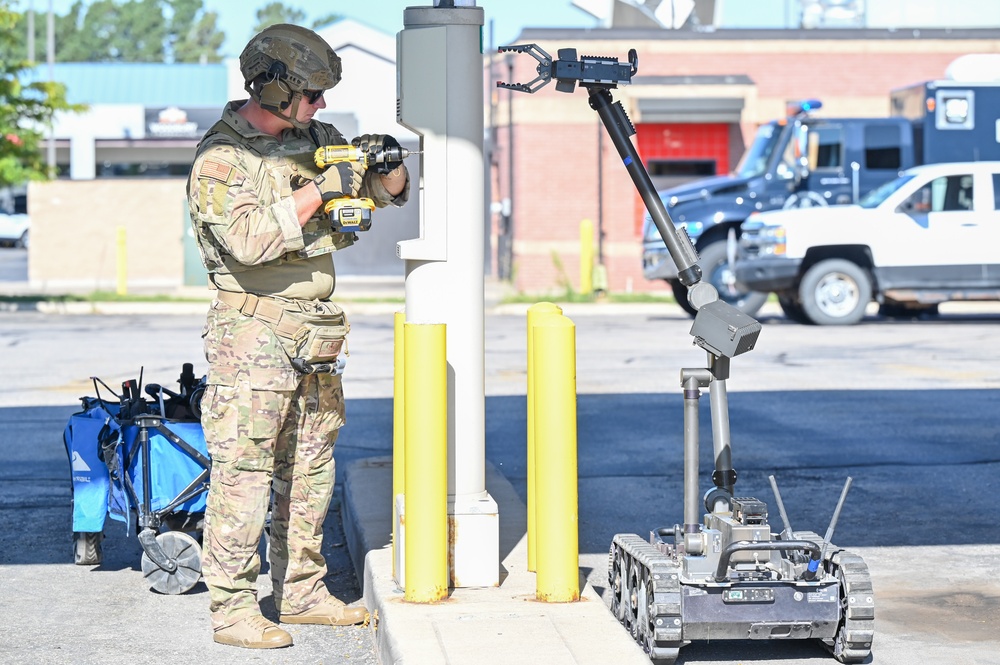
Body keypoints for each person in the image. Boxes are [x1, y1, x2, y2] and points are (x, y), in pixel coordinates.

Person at [186, 23, 409, 649]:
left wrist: (384, 167)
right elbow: (251, 242)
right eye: (311, 95)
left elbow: (380, 195)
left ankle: (301, 590)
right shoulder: (222, 158)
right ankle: (232, 607)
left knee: (309, 466)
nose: (321, 107)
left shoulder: (317, 141)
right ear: (275, 89)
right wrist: (321, 190)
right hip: (253, 328)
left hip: (314, 331)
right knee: (245, 469)